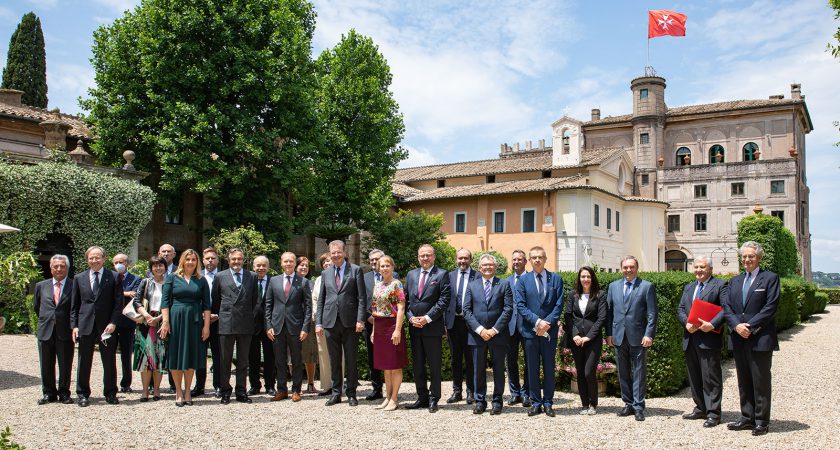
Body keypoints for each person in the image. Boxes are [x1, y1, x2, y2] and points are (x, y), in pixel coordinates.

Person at [723, 241, 779, 436]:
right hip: (739, 336)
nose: (747, 260)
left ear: (759, 258)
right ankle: (747, 417)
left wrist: (750, 326)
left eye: (751, 257)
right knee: (743, 379)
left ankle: (762, 420)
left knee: (760, 380)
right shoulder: (735, 281)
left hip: (759, 337)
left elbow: (770, 307)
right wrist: (736, 326)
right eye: (745, 256)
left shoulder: (770, 278)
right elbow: (727, 307)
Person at [606, 256, 658, 422]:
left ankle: (638, 406)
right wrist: (609, 334)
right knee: (623, 372)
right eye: (625, 267)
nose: (628, 270)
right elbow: (609, 313)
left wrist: (649, 334)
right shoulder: (613, 286)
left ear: (637, 268)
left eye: (631, 267)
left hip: (638, 337)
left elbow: (652, 313)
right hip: (619, 337)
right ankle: (627, 403)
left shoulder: (646, 287)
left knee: (639, 372)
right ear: (621, 268)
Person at [677, 255, 727, 428]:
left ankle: (713, 412)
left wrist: (712, 324)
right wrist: (686, 323)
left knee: (710, 376)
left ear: (710, 269)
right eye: (696, 267)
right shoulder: (689, 287)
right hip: (690, 337)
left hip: (709, 338)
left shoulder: (720, 285)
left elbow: (726, 308)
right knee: (695, 376)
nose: (698, 270)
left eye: (702, 267)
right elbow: (681, 309)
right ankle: (700, 408)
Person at [514, 246, 564, 417]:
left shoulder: (556, 279)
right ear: (529, 260)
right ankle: (536, 402)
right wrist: (537, 322)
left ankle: (548, 402)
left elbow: (559, 304)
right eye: (533, 257)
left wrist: (547, 323)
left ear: (545, 259)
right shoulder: (523, 280)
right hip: (530, 331)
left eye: (540, 257)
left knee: (549, 368)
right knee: (532, 368)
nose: (537, 260)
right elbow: (520, 305)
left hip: (549, 332)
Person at [315, 240, 366, 407]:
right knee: (334, 359)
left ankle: (351, 393)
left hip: (350, 322)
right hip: (330, 322)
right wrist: (319, 322)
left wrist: (360, 319)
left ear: (345, 253)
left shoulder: (356, 270)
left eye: (338, 252)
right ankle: (336, 393)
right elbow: (322, 299)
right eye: (333, 253)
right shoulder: (325, 273)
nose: (336, 255)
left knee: (351, 359)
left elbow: (361, 298)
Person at [71, 246, 122, 407]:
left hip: (107, 326)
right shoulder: (79, 278)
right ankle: (83, 394)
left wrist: (113, 322)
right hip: (85, 325)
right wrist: (75, 326)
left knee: (109, 361)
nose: (94, 260)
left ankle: (111, 393)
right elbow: (75, 305)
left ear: (104, 259)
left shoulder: (113, 277)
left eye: (97, 257)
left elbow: (118, 303)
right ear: (87, 260)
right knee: (84, 361)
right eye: (91, 258)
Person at [159, 249, 210, 407]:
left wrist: (206, 326)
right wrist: (166, 322)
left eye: (193, 259)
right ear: (182, 260)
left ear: (197, 262)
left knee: (191, 355)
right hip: (176, 319)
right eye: (187, 259)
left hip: (195, 321)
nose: (190, 262)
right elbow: (165, 302)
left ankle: (188, 390)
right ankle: (178, 392)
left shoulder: (201, 280)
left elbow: (207, 306)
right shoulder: (172, 278)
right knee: (176, 354)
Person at [463, 253, 512, 415]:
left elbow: (507, 309)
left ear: (495, 267)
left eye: (490, 265)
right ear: (479, 268)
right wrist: (480, 330)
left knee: (498, 369)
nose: (487, 267)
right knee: (478, 369)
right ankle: (480, 400)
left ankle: (497, 401)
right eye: (484, 265)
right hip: (477, 335)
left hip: (498, 334)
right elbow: (467, 310)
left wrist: (494, 330)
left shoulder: (504, 284)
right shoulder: (472, 285)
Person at [404, 244, 450, 413]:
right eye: (422, 255)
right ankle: (421, 397)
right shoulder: (411, 275)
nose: (425, 258)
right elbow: (406, 300)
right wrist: (410, 317)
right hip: (414, 327)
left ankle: (434, 398)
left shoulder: (442, 274)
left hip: (432, 327)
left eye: (428, 255)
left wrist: (427, 318)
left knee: (434, 364)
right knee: (418, 365)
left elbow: (444, 300)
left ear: (434, 257)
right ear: (418, 257)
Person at [211, 247, 259, 404]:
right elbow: (216, 300)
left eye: (239, 259)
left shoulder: (251, 276)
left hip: (245, 322)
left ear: (243, 260)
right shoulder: (220, 276)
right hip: (226, 322)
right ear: (228, 260)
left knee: (243, 360)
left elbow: (255, 300)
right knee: (225, 360)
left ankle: (241, 391)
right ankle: (225, 391)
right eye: (233, 259)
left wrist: (248, 315)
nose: (236, 262)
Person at [265, 252, 312, 402]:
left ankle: (296, 390)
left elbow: (308, 307)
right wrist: (268, 325)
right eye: (285, 261)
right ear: (281, 263)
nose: (288, 264)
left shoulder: (302, 282)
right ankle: (281, 390)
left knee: (297, 360)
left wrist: (305, 328)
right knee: (279, 360)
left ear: (295, 264)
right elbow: (268, 305)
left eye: (291, 261)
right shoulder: (274, 281)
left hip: (296, 327)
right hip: (277, 326)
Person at [563, 266, 607, 415]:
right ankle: (584, 404)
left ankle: (593, 404)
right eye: (583, 277)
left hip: (592, 340)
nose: (586, 279)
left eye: (588, 276)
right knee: (580, 372)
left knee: (589, 372)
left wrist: (589, 336)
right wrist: (574, 334)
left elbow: (601, 318)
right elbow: (568, 316)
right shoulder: (572, 295)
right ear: (579, 279)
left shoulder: (600, 295)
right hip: (576, 340)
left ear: (592, 278)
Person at [33, 254, 75, 405]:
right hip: (45, 331)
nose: (59, 269)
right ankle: (48, 393)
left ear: (67, 268)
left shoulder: (74, 285)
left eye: (62, 266)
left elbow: (75, 308)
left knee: (65, 364)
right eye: (55, 266)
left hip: (65, 331)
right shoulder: (40, 286)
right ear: (50, 268)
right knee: (46, 364)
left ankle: (64, 393)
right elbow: (37, 307)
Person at [369, 255, 407, 411]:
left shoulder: (397, 284)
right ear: (378, 268)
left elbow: (401, 308)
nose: (384, 268)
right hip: (379, 326)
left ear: (392, 267)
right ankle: (387, 396)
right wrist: (373, 331)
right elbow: (375, 310)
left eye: (387, 265)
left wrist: (397, 330)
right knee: (385, 366)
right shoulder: (377, 285)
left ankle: (395, 398)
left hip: (392, 326)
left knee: (395, 365)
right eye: (382, 266)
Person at [132, 256, 169, 401]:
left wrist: (159, 318)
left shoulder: (169, 283)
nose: (158, 268)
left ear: (165, 267)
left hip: (162, 322)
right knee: (144, 358)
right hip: (145, 322)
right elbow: (136, 301)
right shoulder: (145, 282)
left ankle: (157, 390)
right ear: (151, 268)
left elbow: (172, 303)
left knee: (159, 356)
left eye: (161, 265)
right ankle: (145, 390)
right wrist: (147, 316)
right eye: (155, 266)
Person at [445, 248, 478, 405]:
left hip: (471, 323)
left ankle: (471, 391)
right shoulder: (449, 276)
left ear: (471, 260)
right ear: (456, 259)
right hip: (453, 322)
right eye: (460, 258)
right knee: (455, 359)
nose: (462, 261)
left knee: (471, 359)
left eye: (466, 258)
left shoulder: (477, 276)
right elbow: (444, 299)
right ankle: (456, 391)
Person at [112, 253, 141, 394]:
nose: (119, 264)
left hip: (128, 322)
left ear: (127, 263)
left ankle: (126, 383)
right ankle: (111, 383)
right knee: (110, 354)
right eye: (116, 262)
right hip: (111, 321)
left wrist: (125, 293)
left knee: (126, 354)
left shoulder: (136, 279)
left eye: (121, 262)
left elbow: (136, 295)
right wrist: (125, 293)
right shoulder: (109, 277)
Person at [194, 247, 221, 398]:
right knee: (200, 355)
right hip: (200, 321)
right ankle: (199, 386)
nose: (210, 260)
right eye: (207, 258)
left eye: (213, 258)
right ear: (202, 261)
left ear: (218, 260)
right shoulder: (196, 276)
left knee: (218, 356)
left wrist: (219, 315)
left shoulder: (223, 276)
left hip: (218, 321)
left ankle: (218, 385)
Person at [506, 249, 530, 407]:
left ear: (525, 261)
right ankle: (515, 393)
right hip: (509, 326)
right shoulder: (506, 281)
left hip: (528, 325)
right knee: (511, 361)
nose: (516, 262)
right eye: (514, 259)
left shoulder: (531, 279)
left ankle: (527, 392)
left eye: (519, 259)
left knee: (529, 360)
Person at [249, 255, 275, 396]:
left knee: (270, 357)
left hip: (269, 326)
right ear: (253, 267)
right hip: (252, 326)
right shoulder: (248, 281)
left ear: (268, 267)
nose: (261, 268)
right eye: (258, 265)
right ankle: (254, 385)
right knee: (253, 357)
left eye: (264, 265)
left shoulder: (273, 281)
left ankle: (270, 385)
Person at [362, 249, 386, 402]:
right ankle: (376, 389)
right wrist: (368, 317)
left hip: (388, 324)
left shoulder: (392, 276)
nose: (373, 262)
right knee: (373, 357)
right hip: (370, 323)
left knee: (389, 356)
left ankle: (391, 389)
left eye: (376, 259)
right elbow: (360, 299)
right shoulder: (364, 278)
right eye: (371, 260)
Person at [312, 253, 334, 395]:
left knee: (339, 354)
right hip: (322, 322)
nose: (327, 264)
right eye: (324, 262)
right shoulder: (319, 280)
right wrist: (317, 321)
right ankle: (327, 385)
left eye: (329, 261)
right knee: (323, 354)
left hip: (336, 321)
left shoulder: (339, 277)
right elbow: (315, 300)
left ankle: (339, 384)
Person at [296, 256, 319, 394]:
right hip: (293, 322)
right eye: (301, 265)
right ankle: (296, 384)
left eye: (306, 265)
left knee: (310, 354)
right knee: (293, 355)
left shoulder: (312, 284)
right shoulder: (289, 282)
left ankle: (310, 383)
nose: (304, 267)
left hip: (309, 321)